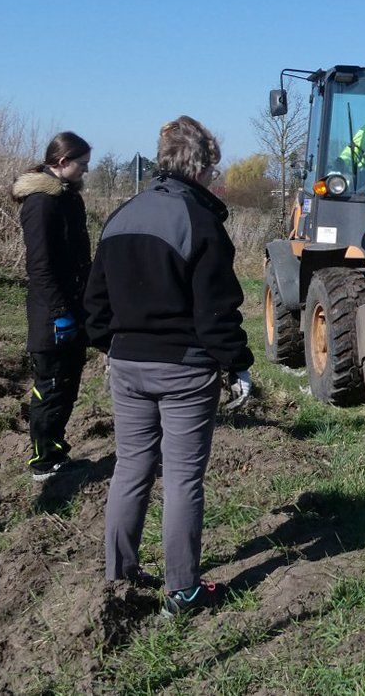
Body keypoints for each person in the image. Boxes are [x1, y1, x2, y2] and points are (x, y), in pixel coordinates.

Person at [84, 116, 254, 615]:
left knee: (130, 467)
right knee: (182, 478)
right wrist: (237, 364)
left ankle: (118, 575)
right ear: (200, 166)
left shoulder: (121, 216)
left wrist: (115, 347)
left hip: (127, 366)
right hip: (185, 371)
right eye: (212, 167)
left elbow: (95, 305)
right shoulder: (199, 222)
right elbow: (216, 312)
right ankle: (183, 591)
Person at [12, 132, 92, 482]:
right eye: (82, 164)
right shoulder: (41, 204)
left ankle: (56, 452)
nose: (85, 171)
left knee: (67, 386)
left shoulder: (67, 198)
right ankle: (43, 461)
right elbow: (40, 267)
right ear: (62, 162)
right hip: (52, 315)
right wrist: (59, 312)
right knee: (52, 387)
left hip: (73, 308)